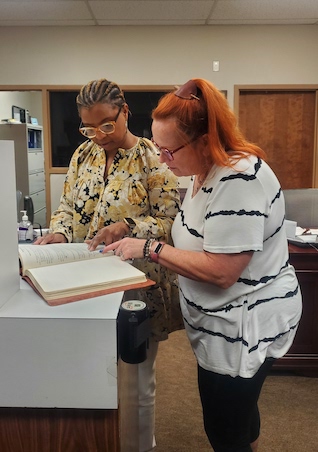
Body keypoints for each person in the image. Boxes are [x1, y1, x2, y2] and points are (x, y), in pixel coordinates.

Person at [101, 79, 303, 452]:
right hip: (217, 323)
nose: (162, 159)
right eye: (158, 147)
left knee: (224, 427)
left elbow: (221, 272)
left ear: (204, 140)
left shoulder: (239, 178)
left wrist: (150, 248)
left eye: (168, 150)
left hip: (245, 326)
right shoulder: (199, 172)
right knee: (239, 414)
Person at [35, 78, 183, 452]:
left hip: (137, 285)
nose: (99, 135)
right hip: (84, 282)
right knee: (91, 373)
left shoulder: (153, 158)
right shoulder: (82, 156)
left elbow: (168, 223)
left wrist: (128, 226)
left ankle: (140, 445)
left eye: (106, 124)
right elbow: (67, 206)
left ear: (125, 113)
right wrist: (59, 231)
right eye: (89, 127)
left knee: (138, 380)